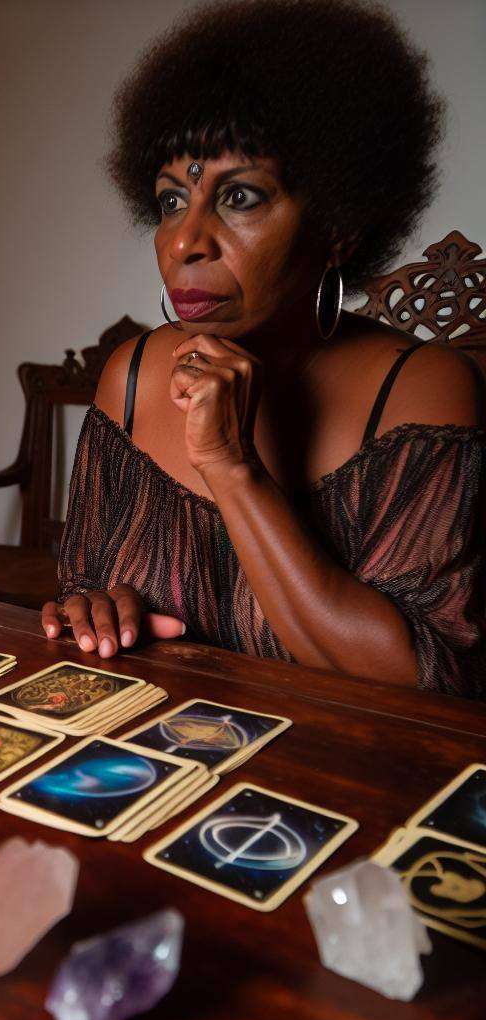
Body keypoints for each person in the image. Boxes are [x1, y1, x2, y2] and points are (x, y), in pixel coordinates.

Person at [41, 0, 485, 698]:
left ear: (337, 224)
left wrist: (230, 464)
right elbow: (87, 589)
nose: (186, 241)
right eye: (169, 201)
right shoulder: (128, 378)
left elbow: (427, 685)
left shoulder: (424, 389)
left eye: (240, 196)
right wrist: (95, 612)